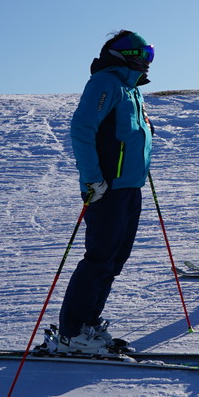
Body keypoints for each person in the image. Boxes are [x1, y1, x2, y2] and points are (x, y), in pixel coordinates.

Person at [48, 30, 155, 355]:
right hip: (106, 188)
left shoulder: (130, 88)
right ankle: (71, 333)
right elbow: (82, 129)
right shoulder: (105, 82)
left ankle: (88, 326)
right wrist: (93, 179)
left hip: (129, 188)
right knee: (98, 260)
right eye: (145, 53)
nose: (148, 61)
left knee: (113, 262)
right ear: (126, 54)